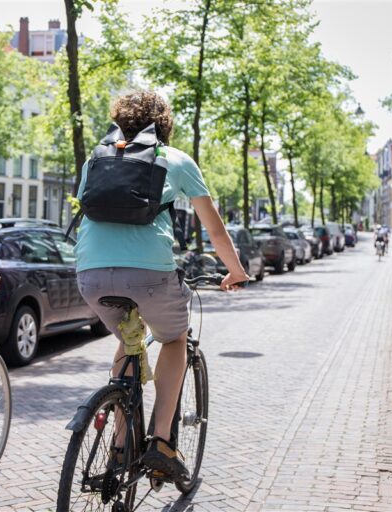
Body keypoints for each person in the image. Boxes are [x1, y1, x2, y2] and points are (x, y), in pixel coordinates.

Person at [74, 91, 250, 481]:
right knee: (173, 339)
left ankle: (120, 446)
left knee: (128, 339)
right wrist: (235, 271)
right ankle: (161, 441)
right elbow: (214, 229)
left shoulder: (95, 160)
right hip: (150, 275)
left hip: (90, 274)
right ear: (164, 124)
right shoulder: (175, 159)